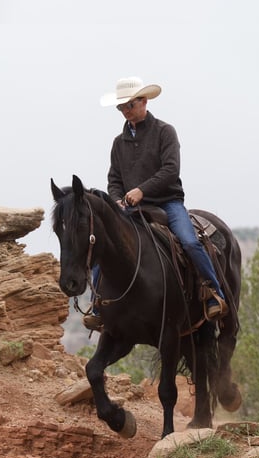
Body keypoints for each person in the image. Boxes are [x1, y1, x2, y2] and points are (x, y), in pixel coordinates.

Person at [83, 76, 227, 331]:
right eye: (121, 108)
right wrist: (117, 199)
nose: (125, 111)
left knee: (190, 242)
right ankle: (98, 305)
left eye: (129, 106)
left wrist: (142, 190)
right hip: (131, 208)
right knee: (105, 246)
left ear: (144, 101)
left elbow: (171, 170)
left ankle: (213, 293)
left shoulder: (164, 131)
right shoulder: (119, 143)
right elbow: (114, 178)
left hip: (167, 203)